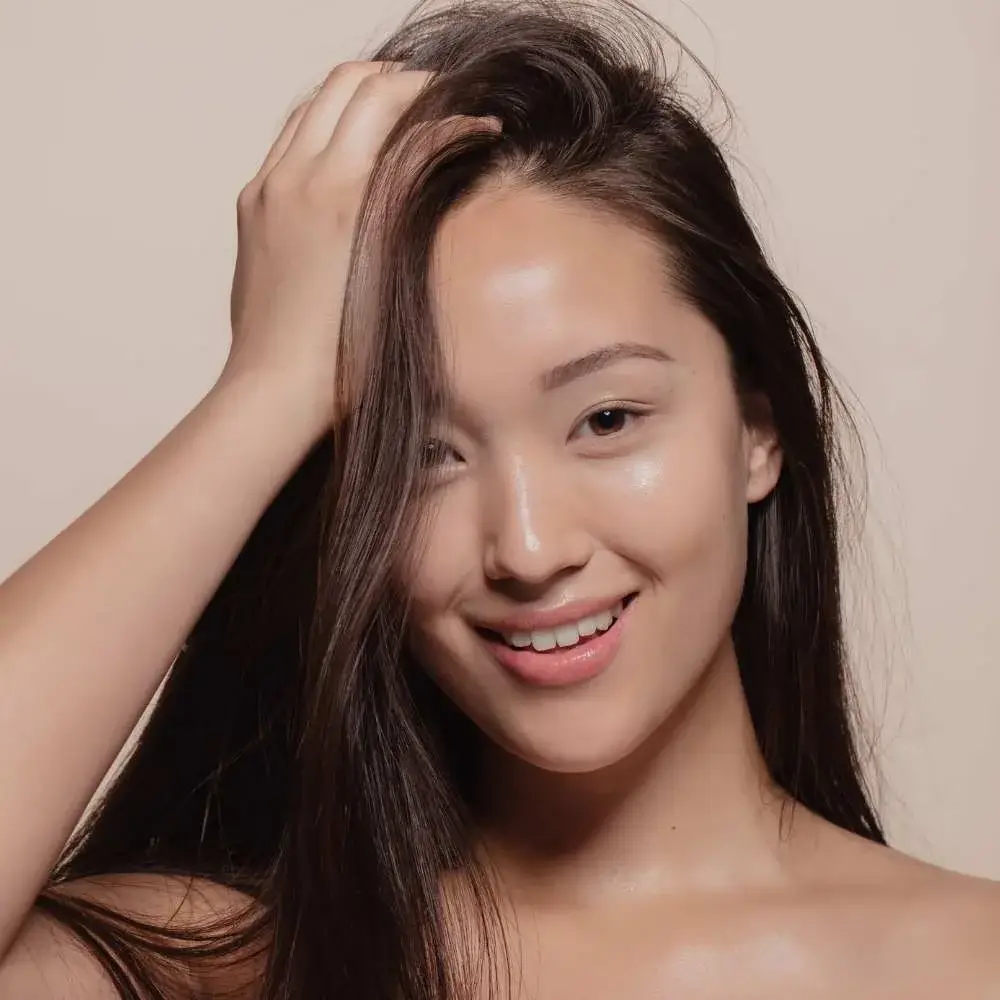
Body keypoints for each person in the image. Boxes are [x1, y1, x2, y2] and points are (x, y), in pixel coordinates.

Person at [0, 0, 997, 997]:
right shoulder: (239, 964)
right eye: (423, 455)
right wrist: (266, 388)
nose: (525, 546)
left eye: (606, 419)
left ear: (757, 431)